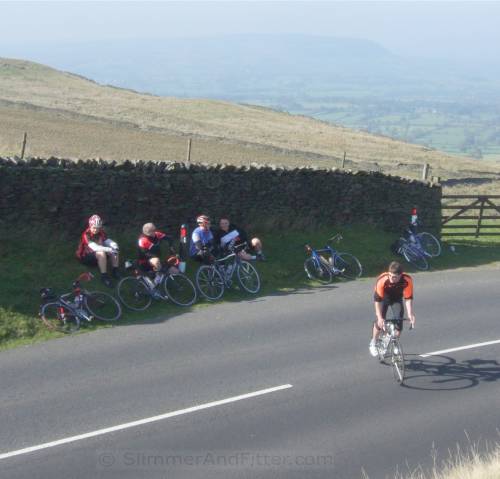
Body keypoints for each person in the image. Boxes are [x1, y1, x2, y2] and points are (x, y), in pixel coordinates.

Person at [369, 261, 416, 357]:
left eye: (394, 277)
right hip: (383, 299)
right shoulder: (382, 280)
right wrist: (380, 317)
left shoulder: (407, 280)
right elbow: (377, 301)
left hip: (396, 299)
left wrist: (410, 314)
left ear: (400, 275)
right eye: (390, 275)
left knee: (399, 323)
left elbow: (408, 298)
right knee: (380, 322)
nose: (391, 278)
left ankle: (394, 343)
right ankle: (373, 342)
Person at [76, 214, 119, 287]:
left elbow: (107, 241)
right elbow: (94, 247)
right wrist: (108, 249)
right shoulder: (86, 234)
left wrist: (114, 245)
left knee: (114, 249)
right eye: (94, 228)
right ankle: (104, 277)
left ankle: (115, 270)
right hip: (85, 257)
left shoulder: (101, 232)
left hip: (95, 255)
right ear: (90, 226)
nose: (96, 230)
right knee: (101, 252)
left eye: (98, 228)